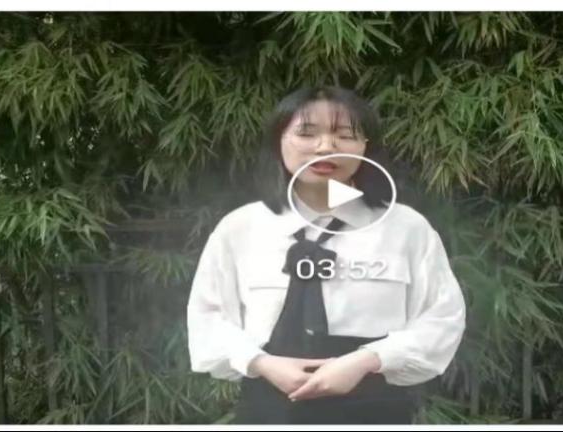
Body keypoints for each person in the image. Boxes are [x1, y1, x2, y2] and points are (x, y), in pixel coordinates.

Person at [186, 86, 466, 424]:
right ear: (278, 142)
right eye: (306, 133)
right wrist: (263, 363)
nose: (325, 147)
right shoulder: (241, 227)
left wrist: (367, 360)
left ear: (366, 147)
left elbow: (442, 316)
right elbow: (208, 316)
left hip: (376, 409)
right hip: (267, 410)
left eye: (344, 135)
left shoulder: (405, 227)